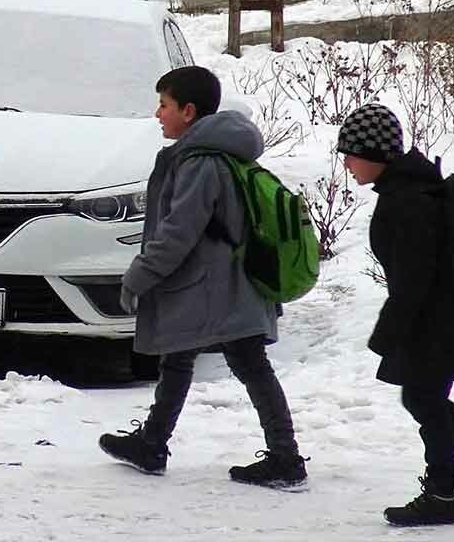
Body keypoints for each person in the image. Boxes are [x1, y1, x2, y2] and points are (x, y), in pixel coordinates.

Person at [98, 67, 308, 490]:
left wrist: (138, 276)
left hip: (218, 288)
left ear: (189, 112)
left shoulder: (200, 163)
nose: (158, 114)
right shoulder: (218, 154)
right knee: (178, 357)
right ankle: (153, 442)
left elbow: (178, 232)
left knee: (248, 365)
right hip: (221, 284)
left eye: (164, 105)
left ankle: (285, 457)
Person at [336, 103, 454, 527]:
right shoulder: (414, 189)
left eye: (350, 152)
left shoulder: (403, 203)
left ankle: (445, 494)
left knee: (422, 398)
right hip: (446, 315)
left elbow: (412, 281)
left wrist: (385, 336)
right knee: (424, 398)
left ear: (375, 153)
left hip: (434, 320)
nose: (346, 162)